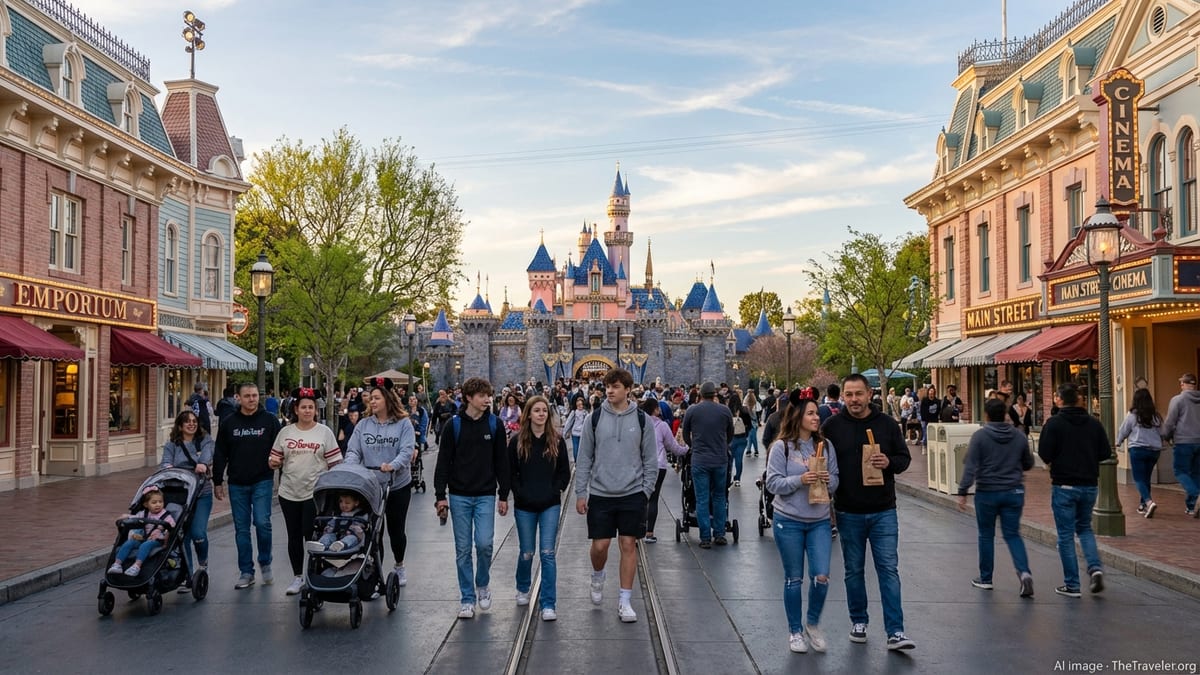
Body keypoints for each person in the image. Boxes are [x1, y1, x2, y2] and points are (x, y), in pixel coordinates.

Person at [821, 373, 915, 651]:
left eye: (858, 394)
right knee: (853, 570)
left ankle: (895, 631)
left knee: (888, 570)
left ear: (869, 394)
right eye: (848, 395)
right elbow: (816, 453)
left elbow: (903, 459)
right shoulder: (833, 426)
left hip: (883, 510)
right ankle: (859, 621)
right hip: (848, 511)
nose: (853, 400)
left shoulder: (886, 425)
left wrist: (889, 461)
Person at [575, 368, 657, 623]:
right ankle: (598, 575)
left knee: (628, 544)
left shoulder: (643, 420)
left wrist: (645, 491)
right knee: (600, 546)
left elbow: (651, 460)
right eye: (607, 386)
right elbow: (584, 456)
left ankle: (624, 600)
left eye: (616, 386)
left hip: (632, 492)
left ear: (628, 390)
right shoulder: (594, 418)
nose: (609, 390)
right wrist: (580, 492)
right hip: (601, 492)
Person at [766, 396, 839, 655]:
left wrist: (827, 481)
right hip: (789, 520)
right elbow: (773, 484)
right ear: (798, 417)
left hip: (819, 520)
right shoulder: (781, 448)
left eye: (817, 414)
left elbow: (835, 482)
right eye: (810, 414)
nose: (816, 417)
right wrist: (801, 479)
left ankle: (812, 623)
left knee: (821, 576)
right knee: (793, 579)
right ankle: (795, 631)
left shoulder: (826, 446)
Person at [434, 376, 510, 620]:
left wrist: (504, 494)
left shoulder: (495, 424)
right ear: (469, 398)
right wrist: (440, 496)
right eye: (482, 396)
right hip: (459, 496)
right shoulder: (453, 426)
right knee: (463, 549)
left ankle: (483, 583)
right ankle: (467, 598)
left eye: (489, 395)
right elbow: (443, 463)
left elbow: (502, 461)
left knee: (485, 544)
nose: (487, 399)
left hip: (486, 494)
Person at [500, 395, 570, 622]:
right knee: (527, 551)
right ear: (528, 414)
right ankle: (522, 586)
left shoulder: (556, 441)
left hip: (550, 503)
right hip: (525, 505)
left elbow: (564, 473)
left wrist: (555, 490)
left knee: (548, 553)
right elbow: (510, 472)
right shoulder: (517, 441)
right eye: (537, 410)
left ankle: (548, 603)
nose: (541, 414)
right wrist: (518, 492)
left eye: (544, 411)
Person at [956, 398, 1035, 598]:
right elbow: (1028, 463)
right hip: (1013, 491)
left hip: (988, 492)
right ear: (1006, 415)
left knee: (986, 534)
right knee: (1012, 534)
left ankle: (986, 578)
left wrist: (963, 491)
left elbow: (971, 466)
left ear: (987, 415)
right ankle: (1024, 572)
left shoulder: (980, 437)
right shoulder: (1018, 436)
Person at [1037, 383, 1110, 598]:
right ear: (1078, 399)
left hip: (1064, 485)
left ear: (1060, 399)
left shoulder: (1054, 424)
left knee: (1066, 535)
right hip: (1089, 485)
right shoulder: (1093, 424)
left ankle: (1072, 585)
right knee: (1085, 529)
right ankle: (1095, 568)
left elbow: (1044, 453)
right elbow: (1105, 452)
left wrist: (1058, 461)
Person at [346, 377, 416, 588]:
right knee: (374, 531)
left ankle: (399, 564)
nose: (372, 402)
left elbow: (406, 451)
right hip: (371, 485)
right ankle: (376, 572)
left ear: (387, 399)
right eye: (371, 398)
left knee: (396, 530)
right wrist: (350, 466)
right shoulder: (363, 425)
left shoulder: (404, 424)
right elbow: (353, 450)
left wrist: (393, 464)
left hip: (396, 485)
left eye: (376, 398)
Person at [271, 387, 341, 595]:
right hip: (289, 492)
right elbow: (274, 458)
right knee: (294, 536)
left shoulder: (324, 432)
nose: (307, 411)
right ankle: (297, 577)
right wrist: (273, 462)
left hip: (315, 493)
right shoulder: (286, 432)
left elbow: (336, 463)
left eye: (311, 407)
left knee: (312, 536)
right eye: (304, 407)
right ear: (296, 409)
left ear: (315, 410)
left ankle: (315, 575)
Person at [213, 383, 281, 589]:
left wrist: (281, 468)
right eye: (247, 396)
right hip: (237, 483)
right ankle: (246, 571)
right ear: (238, 398)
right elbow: (220, 452)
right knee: (242, 529)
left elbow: (280, 448)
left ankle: (265, 561)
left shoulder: (269, 421)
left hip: (262, 480)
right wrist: (217, 481)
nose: (252, 399)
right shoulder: (229, 423)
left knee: (262, 522)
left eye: (254, 395)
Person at [160, 410, 214, 591]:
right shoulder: (172, 445)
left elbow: (206, 459)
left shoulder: (204, 440)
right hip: (180, 495)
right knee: (183, 537)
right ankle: (188, 575)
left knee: (198, 533)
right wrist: (173, 468)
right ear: (180, 425)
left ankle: (203, 563)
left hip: (201, 493)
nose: (191, 424)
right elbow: (166, 464)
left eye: (194, 421)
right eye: (187, 422)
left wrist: (201, 465)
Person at [681, 381, 734, 548]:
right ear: (715, 394)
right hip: (720, 459)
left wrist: (693, 445)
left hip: (700, 459)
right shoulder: (725, 411)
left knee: (701, 498)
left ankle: (704, 537)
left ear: (700, 395)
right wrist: (723, 445)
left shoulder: (692, 410)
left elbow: (685, 432)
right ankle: (719, 533)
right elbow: (730, 434)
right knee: (719, 496)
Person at [643, 398, 688, 544]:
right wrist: (686, 450)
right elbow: (672, 447)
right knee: (653, 498)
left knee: (640, 498)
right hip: (658, 465)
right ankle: (649, 533)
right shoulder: (662, 426)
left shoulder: (639, 423)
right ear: (655, 409)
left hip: (640, 466)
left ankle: (636, 530)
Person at [1115, 388, 1164, 519]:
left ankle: (1149, 501)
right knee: (1146, 478)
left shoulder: (1132, 415)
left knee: (1138, 479)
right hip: (1154, 451)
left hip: (1138, 449)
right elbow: (1162, 433)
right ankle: (1143, 505)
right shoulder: (1156, 416)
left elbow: (1123, 430)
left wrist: (1118, 442)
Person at [109, 485, 177, 577]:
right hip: (144, 538)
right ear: (146, 504)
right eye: (154, 502)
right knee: (130, 543)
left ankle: (137, 566)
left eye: (160, 502)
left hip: (157, 540)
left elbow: (172, 526)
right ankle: (117, 564)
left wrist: (164, 532)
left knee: (145, 545)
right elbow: (135, 518)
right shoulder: (144, 513)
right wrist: (126, 517)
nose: (158, 504)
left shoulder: (166, 516)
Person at [1162, 372, 1200, 517]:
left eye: (1181, 383)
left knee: (1180, 471)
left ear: (1184, 384)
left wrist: (1166, 436)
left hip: (1184, 441)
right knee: (1196, 473)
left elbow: (1170, 421)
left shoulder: (1177, 400)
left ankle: (1195, 495)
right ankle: (1191, 506)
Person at [728, 395, 754, 487]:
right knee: (739, 459)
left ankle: (728, 477)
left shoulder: (727, 411)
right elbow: (750, 426)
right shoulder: (744, 411)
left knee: (729, 459)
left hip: (730, 439)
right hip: (742, 439)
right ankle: (738, 479)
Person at [562, 396, 590, 461]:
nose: (580, 406)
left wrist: (565, 432)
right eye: (578, 405)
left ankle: (577, 461)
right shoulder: (582, 413)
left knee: (577, 447)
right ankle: (577, 461)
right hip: (578, 433)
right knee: (577, 448)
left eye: (581, 405)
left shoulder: (583, 413)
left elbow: (568, 422)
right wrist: (565, 432)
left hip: (579, 433)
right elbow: (568, 423)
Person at [743, 390, 761, 457]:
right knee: (753, 437)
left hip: (748, 423)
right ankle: (754, 451)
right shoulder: (756, 404)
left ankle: (749, 450)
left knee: (750, 437)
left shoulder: (745, 404)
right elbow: (759, 412)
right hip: (754, 423)